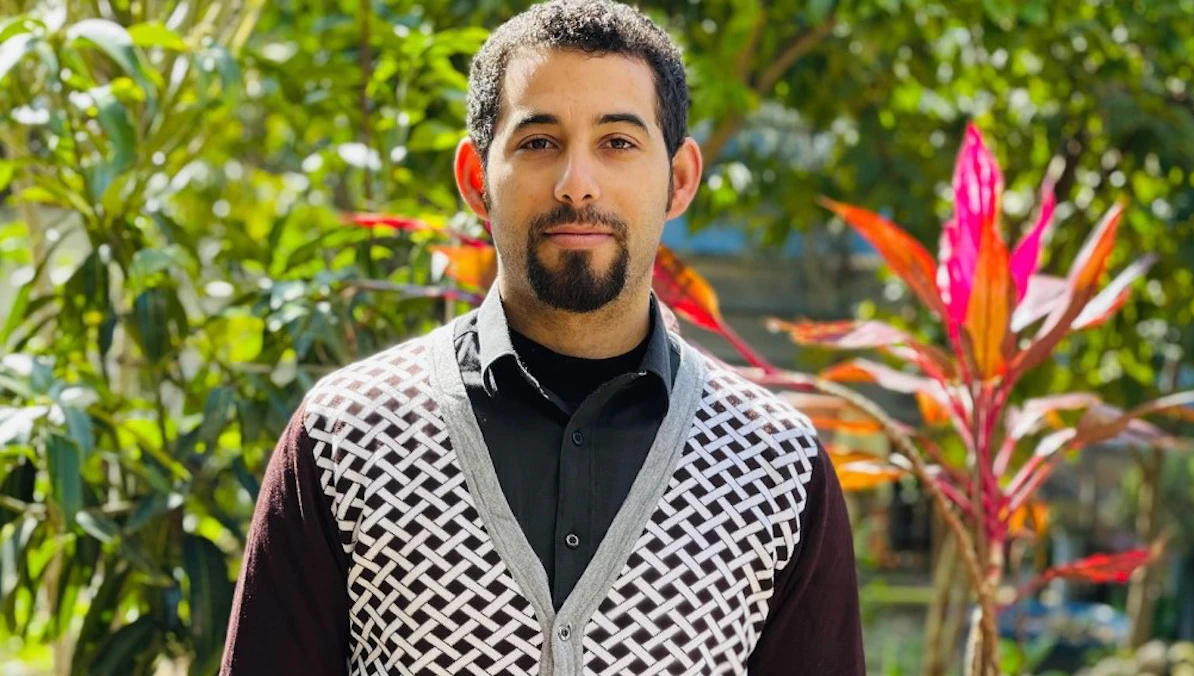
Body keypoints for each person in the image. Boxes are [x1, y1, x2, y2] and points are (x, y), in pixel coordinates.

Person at [220, 0, 864, 673]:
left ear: (678, 180)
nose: (576, 185)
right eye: (539, 143)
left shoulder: (774, 468)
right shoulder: (347, 436)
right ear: (476, 180)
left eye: (618, 143)